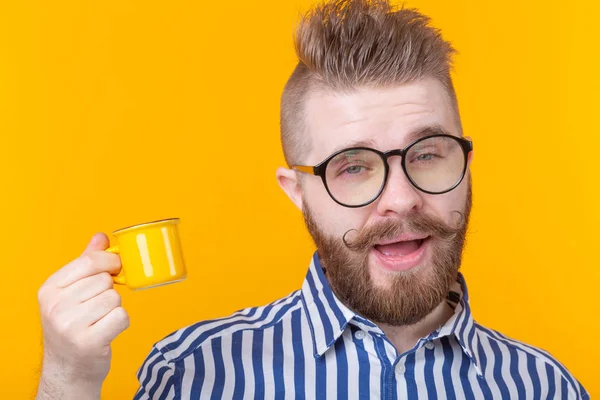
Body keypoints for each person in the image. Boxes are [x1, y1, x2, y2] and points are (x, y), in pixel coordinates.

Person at [36, 0, 590, 399]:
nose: (400, 199)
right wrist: (68, 381)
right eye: (352, 166)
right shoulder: (194, 374)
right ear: (297, 192)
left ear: (466, 164)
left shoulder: (548, 387)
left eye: (426, 153)